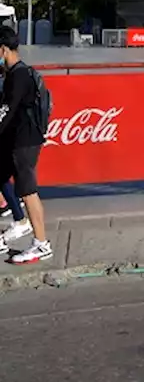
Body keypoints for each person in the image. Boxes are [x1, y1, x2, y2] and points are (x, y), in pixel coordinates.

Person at [0, 26, 52, 264]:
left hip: (25, 141)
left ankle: (41, 244)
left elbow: (6, 110)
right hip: (16, 138)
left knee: (28, 190)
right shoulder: (14, 73)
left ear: (2, 49)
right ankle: (19, 224)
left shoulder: (19, 75)